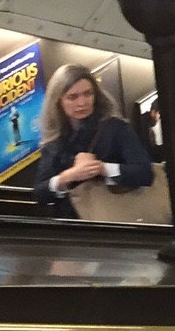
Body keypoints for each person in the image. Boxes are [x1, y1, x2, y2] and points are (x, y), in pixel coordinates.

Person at [35, 63, 154, 217]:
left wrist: (101, 169)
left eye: (87, 94)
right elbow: (40, 193)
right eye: (72, 97)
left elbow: (145, 173)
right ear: (58, 101)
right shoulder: (55, 138)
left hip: (114, 217)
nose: (82, 103)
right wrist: (68, 177)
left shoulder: (116, 128)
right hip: (70, 223)